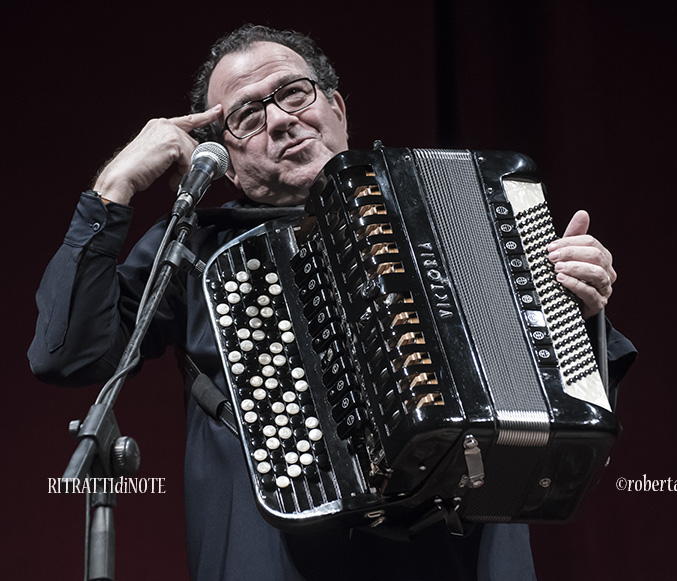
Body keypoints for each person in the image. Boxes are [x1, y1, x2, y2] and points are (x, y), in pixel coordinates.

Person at [29, 24, 635, 580]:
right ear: (228, 163)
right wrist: (114, 187)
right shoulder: (193, 247)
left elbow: (564, 395)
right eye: (246, 115)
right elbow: (67, 355)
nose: (281, 121)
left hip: (460, 551)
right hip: (273, 552)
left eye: (294, 93)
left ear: (336, 110)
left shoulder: (458, 210)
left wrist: (577, 305)